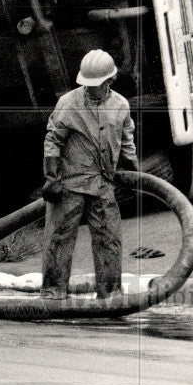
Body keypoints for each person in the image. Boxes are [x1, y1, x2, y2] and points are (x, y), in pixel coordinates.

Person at [41, 49, 138, 300]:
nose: (90, 89)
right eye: (86, 85)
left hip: (103, 183)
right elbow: (53, 140)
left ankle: (110, 295)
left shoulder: (120, 106)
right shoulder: (69, 103)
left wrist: (132, 172)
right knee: (59, 238)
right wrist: (51, 177)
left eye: (95, 85)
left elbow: (126, 142)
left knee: (109, 239)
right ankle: (53, 293)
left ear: (109, 82)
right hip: (70, 184)